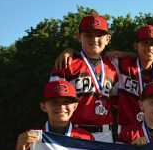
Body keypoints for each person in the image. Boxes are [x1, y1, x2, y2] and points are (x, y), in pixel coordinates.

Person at [49, 13, 118, 142]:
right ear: (78, 37)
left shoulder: (112, 67)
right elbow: (53, 100)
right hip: (76, 131)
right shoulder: (66, 63)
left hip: (105, 133)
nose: (94, 39)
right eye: (88, 35)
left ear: (108, 39)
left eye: (99, 35)